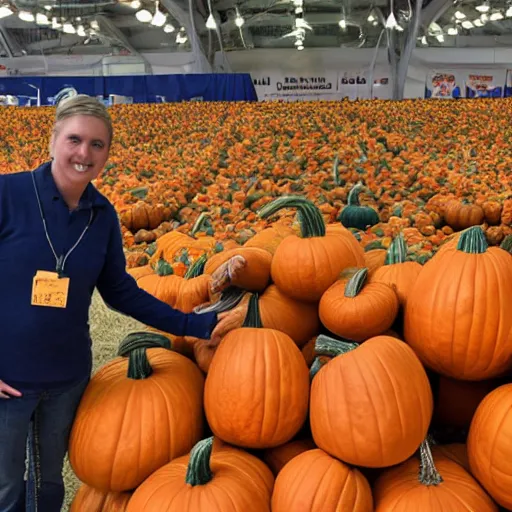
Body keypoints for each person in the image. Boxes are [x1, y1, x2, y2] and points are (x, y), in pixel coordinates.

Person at [0, 94, 228, 512]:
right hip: (6, 377)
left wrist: (194, 325)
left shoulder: (102, 216)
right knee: (5, 487)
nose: (83, 153)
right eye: (74, 139)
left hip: (65, 378)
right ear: (53, 140)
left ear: (106, 154)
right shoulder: (8, 193)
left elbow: (120, 291)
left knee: (49, 482)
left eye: (97, 145)